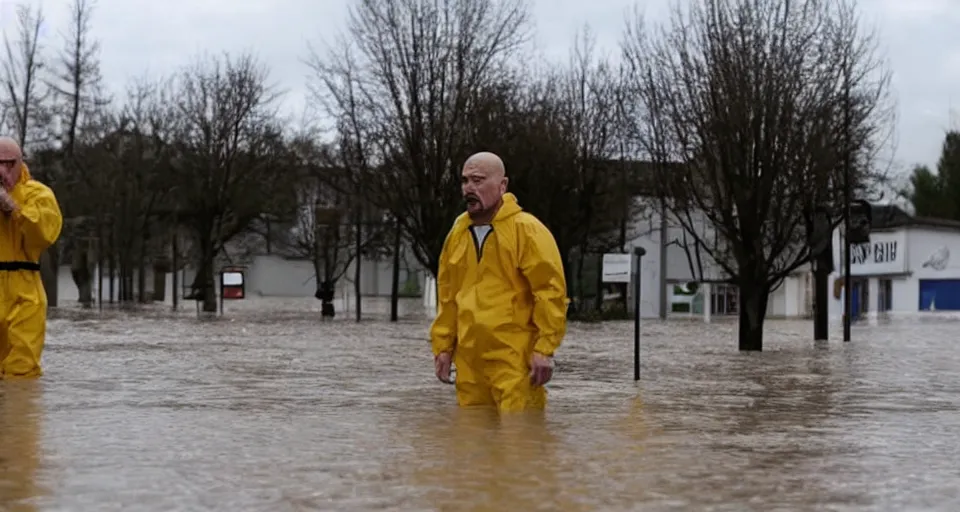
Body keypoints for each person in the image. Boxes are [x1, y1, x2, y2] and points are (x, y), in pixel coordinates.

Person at [431, 151, 568, 412]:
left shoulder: (526, 230)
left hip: (515, 360)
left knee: (519, 442)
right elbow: (447, 296)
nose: (468, 188)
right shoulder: (457, 234)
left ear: (502, 185)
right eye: (464, 181)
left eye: (478, 180)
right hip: (470, 362)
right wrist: (443, 347)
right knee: (471, 442)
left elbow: (550, 292)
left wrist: (544, 350)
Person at [0, 137, 63, 379]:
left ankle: (20, 416)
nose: (2, 170)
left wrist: (13, 208)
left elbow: (45, 233)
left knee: (21, 368)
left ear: (20, 163)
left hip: (24, 289)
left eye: (8, 163)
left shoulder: (38, 194)